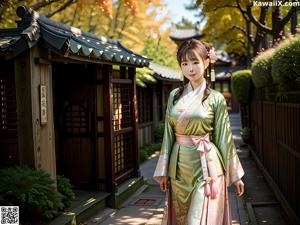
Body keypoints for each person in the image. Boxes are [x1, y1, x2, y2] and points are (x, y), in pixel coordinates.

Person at [153, 39, 245, 225]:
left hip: (208, 166)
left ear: (206, 62)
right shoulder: (175, 96)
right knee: (182, 217)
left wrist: (235, 175)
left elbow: (224, 138)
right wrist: (163, 170)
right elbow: (168, 135)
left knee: (200, 219)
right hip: (179, 167)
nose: (190, 69)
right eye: (184, 63)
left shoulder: (216, 98)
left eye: (195, 62)